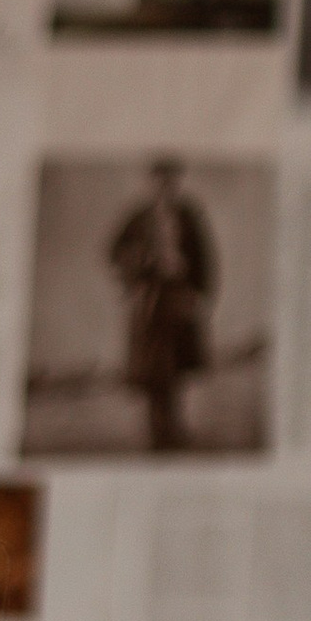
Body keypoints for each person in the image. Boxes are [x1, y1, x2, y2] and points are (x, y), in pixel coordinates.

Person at [107, 155, 216, 450]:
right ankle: (156, 431)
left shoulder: (189, 215)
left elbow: (205, 257)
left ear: (177, 182)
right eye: (160, 178)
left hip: (179, 295)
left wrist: (200, 293)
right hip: (151, 298)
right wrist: (141, 266)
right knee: (153, 367)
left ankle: (176, 428)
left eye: (171, 179)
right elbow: (115, 252)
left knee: (178, 364)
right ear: (152, 181)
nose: (166, 185)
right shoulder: (139, 217)